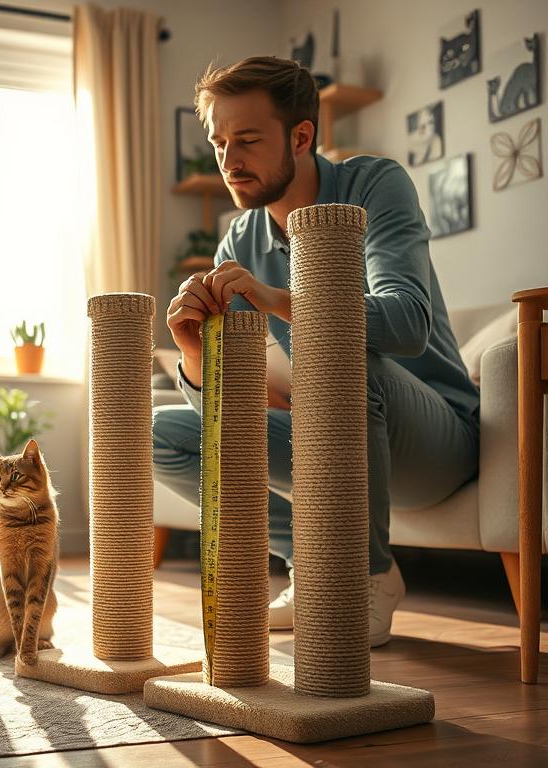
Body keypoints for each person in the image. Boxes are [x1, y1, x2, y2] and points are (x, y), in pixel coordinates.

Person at [153, 56, 480, 647]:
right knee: (158, 434)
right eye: (220, 143)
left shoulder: (375, 185)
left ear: (301, 136)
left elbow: (408, 323)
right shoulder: (239, 240)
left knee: (344, 356)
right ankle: (311, 563)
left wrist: (277, 299)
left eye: (248, 140)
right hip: (323, 435)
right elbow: (234, 417)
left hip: (434, 443)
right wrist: (197, 355)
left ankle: (364, 576)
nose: (229, 161)